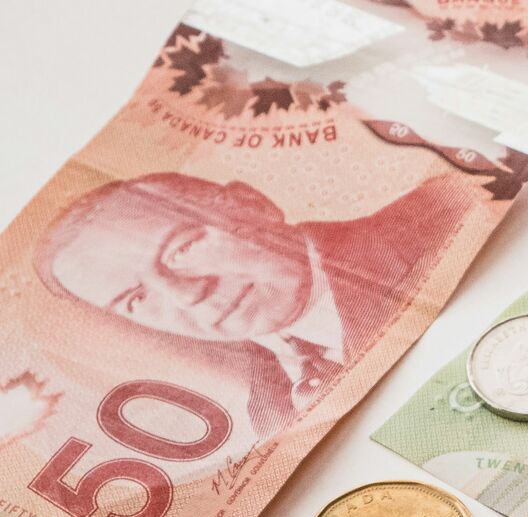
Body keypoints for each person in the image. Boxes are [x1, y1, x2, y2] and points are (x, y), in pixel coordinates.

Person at [36, 170, 471, 435]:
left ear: (252, 204)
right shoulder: (269, 412)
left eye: (181, 249)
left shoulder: (451, 213)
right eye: (136, 298)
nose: (188, 294)